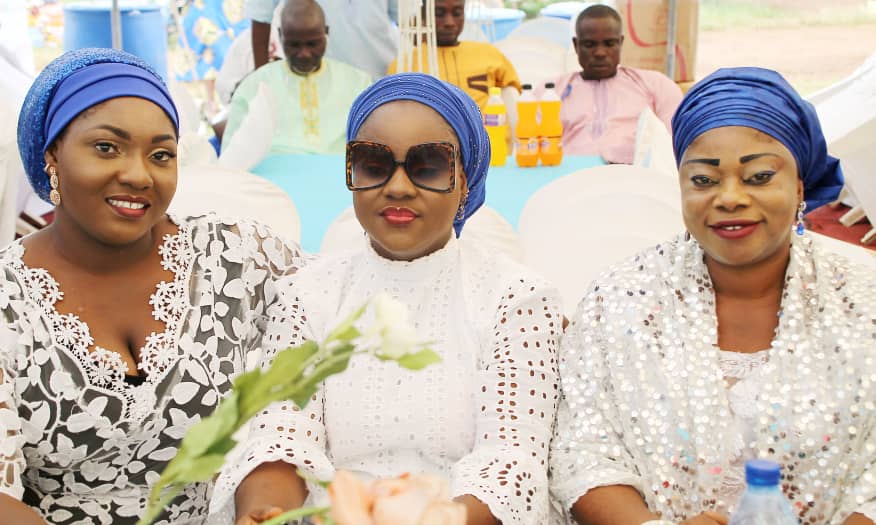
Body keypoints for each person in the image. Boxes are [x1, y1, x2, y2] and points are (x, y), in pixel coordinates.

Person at [212, 73, 563, 525]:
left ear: (466, 182)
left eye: (428, 165)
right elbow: (280, 434)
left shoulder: (515, 299)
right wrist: (268, 512)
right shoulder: (307, 295)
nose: (398, 186)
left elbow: (511, 461)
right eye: (374, 163)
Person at [550, 66, 875, 525]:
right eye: (704, 179)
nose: (730, 198)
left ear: (800, 185)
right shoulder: (620, 300)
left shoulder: (864, 305)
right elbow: (581, 452)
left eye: (759, 176)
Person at [0, 48, 305, 524]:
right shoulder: (8, 299)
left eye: (161, 155)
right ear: (52, 155)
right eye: (107, 147)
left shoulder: (234, 259)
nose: (138, 174)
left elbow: (318, 360)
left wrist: (267, 502)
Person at [223, 0, 371, 155]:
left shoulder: (358, 83)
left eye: (312, 44)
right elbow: (232, 152)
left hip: (341, 169)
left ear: (326, 32)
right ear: (280, 35)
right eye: (294, 45)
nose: (304, 54)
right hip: (275, 169)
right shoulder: (254, 86)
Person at [550, 4, 682, 164]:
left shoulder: (655, 84)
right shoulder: (553, 90)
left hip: (635, 173)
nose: (600, 53)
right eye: (590, 44)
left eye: (609, 43)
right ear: (576, 45)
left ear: (621, 42)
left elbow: (677, 139)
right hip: (568, 174)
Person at [386, 0, 522, 110]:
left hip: (488, 134)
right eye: (439, 13)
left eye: (457, 13)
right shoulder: (405, 64)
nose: (449, 23)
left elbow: (517, 93)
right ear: (423, 15)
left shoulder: (488, 53)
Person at [245, 0, 398, 80]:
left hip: (381, 78)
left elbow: (406, 20)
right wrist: (261, 84)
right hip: (314, 83)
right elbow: (260, 19)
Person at [176, 0, 250, 114]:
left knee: (238, 52)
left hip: (231, 9)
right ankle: (212, 104)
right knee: (209, 52)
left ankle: (240, 101)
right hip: (208, 8)